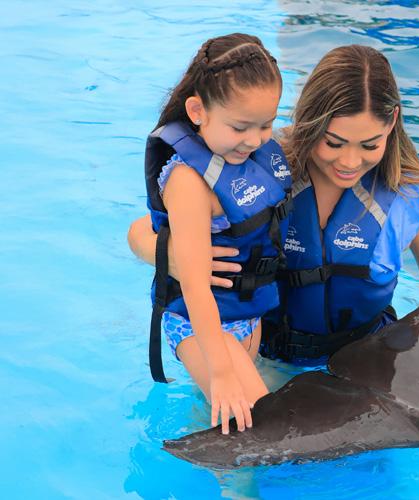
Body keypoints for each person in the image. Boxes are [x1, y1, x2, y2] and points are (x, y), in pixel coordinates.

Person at [129, 44, 419, 390]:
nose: (349, 162)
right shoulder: (263, 169)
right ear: (309, 120)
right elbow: (142, 231)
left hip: (365, 363)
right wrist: (170, 256)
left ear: (392, 121)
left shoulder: (407, 194)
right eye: (333, 143)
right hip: (265, 359)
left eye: (370, 145)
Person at [139, 33, 293, 435]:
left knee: (222, 420)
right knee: (258, 433)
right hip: (200, 325)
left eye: (266, 125)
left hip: (244, 314)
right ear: (198, 111)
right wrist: (221, 372)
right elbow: (193, 285)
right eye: (240, 127)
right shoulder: (189, 182)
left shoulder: (256, 156)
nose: (255, 140)